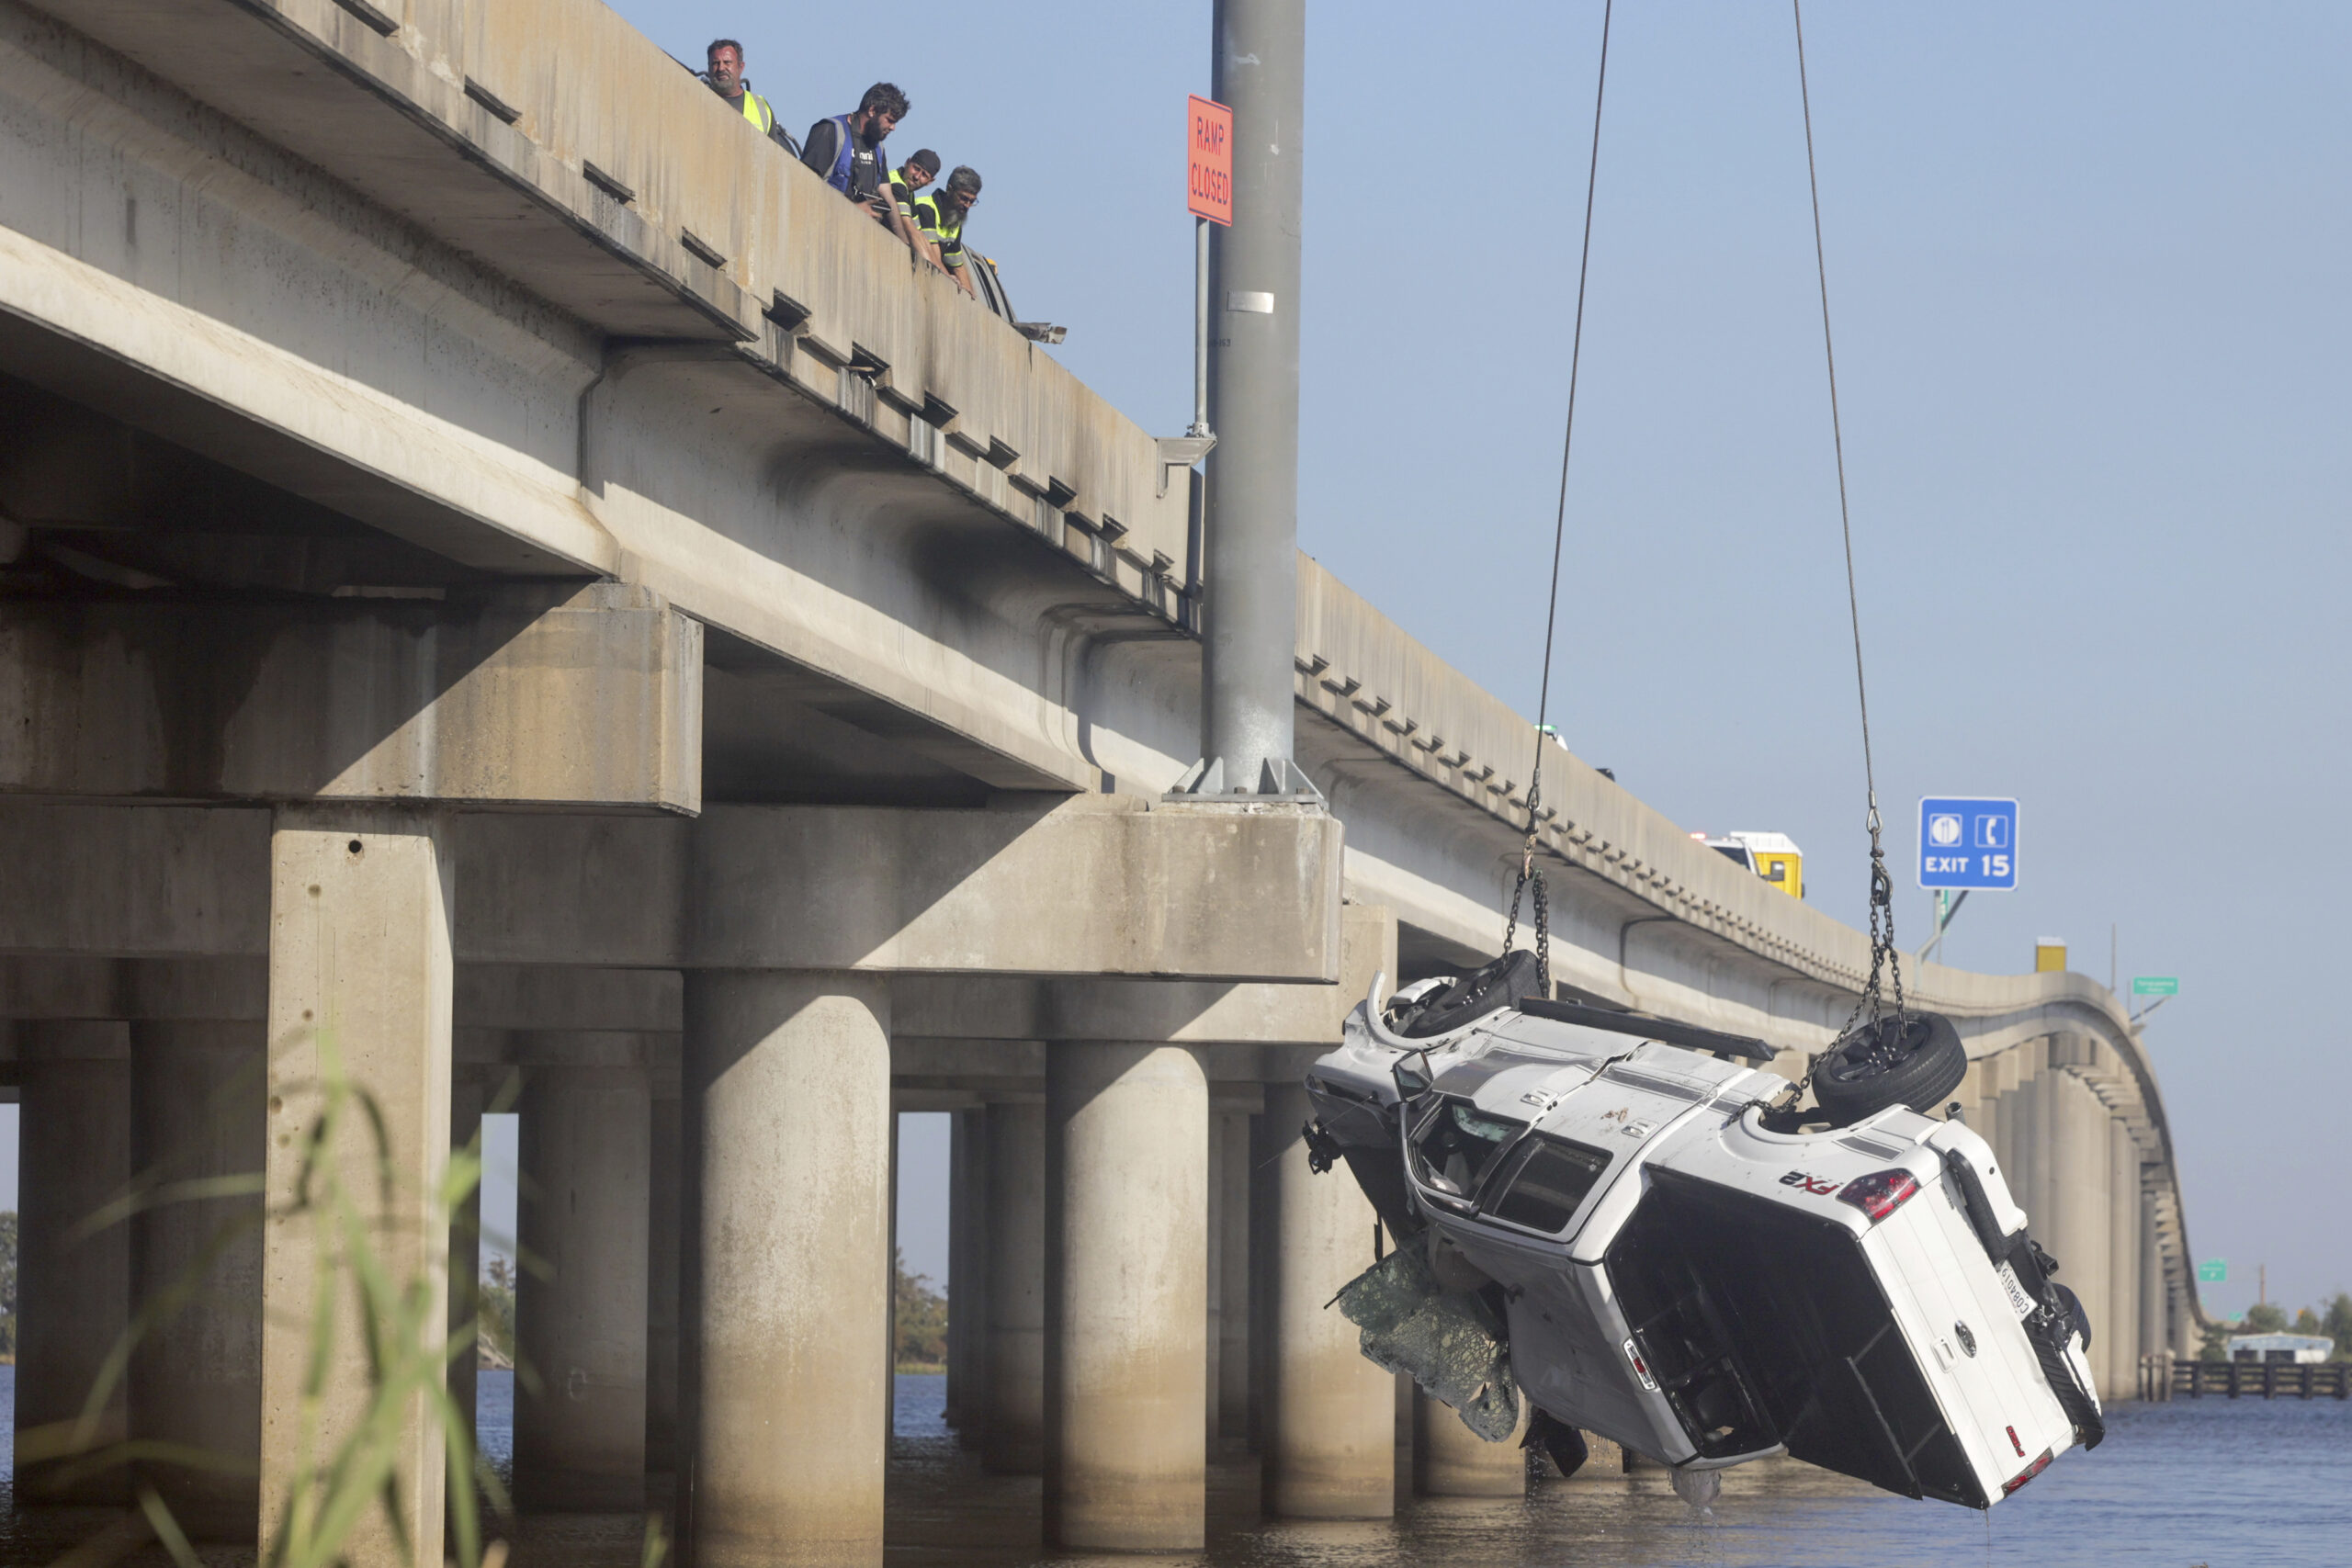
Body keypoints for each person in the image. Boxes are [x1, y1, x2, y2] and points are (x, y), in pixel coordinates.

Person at [703, 39, 797, 154]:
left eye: (727, 62)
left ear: (741, 67)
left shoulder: (761, 107)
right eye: (715, 63)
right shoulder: (699, 100)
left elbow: (773, 156)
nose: (721, 68)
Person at [912, 165, 982, 299]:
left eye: (972, 201)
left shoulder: (955, 222)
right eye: (963, 198)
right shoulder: (926, 208)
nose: (967, 205)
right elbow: (932, 256)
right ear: (949, 190)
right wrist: (949, 281)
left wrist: (972, 300)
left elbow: (958, 267)